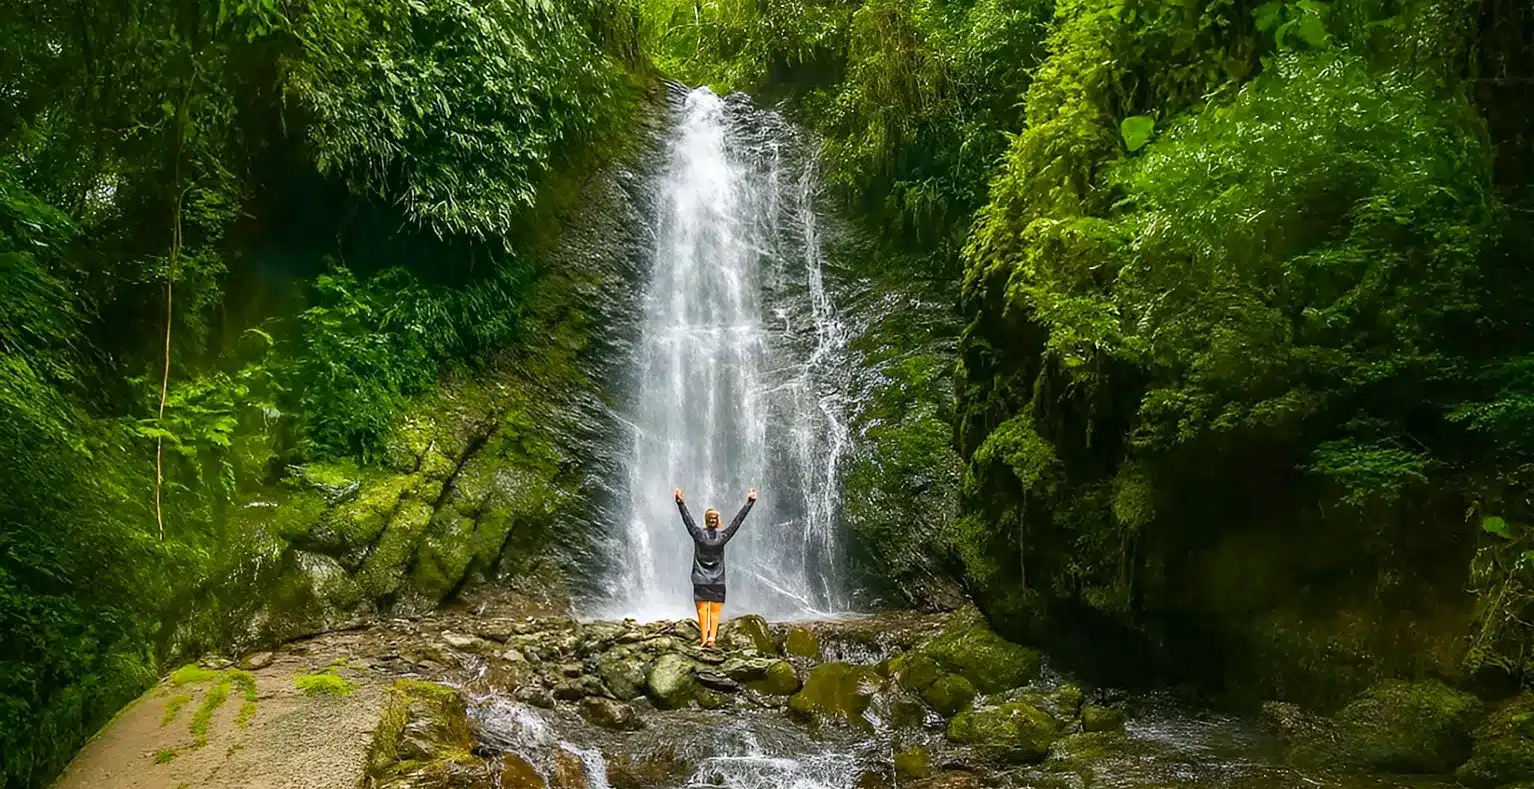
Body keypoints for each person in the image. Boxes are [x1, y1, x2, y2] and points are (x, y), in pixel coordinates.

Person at [674, 486, 756, 647]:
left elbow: (688, 521)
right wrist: (749, 502)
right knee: (715, 612)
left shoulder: (697, 534)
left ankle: (703, 639)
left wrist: (681, 504)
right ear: (717, 522)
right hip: (717, 579)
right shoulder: (723, 536)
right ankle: (712, 638)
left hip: (699, 578)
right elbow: (737, 522)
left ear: (706, 521)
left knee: (702, 610)